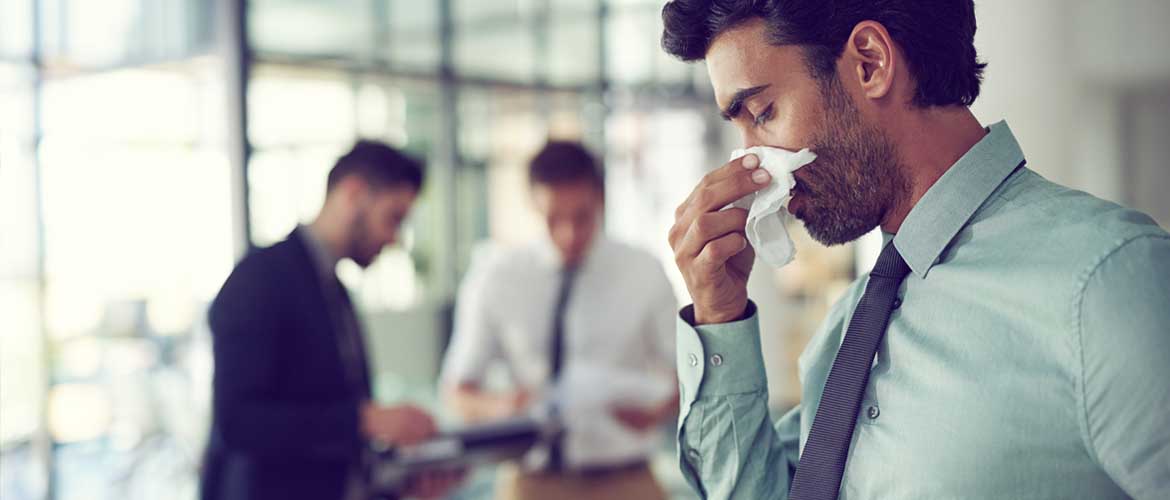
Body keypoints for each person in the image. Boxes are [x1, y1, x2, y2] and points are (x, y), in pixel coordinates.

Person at [660, 1, 1170, 499]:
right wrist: (719, 317)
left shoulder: (1107, 281)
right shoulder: (849, 331)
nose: (752, 166)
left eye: (762, 112)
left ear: (870, 63)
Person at [201, 141, 461, 500]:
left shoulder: (333, 290)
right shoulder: (260, 278)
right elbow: (238, 422)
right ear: (353, 193)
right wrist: (366, 420)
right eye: (393, 218)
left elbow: (330, 446)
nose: (393, 237)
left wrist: (400, 486)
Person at [439, 141, 679, 500]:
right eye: (554, 218)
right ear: (533, 203)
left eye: (581, 216)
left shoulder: (643, 271)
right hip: (531, 481)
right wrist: (504, 408)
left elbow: (686, 374)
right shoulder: (496, 276)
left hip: (627, 479)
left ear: (599, 199)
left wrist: (657, 409)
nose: (569, 234)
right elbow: (457, 391)